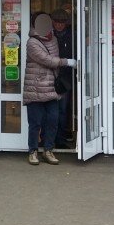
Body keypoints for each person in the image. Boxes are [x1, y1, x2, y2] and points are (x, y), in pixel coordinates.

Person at [23, 12, 76, 166]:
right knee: (35, 122)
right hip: (35, 88)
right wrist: (67, 62)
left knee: (53, 120)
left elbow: (54, 62)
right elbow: (47, 60)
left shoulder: (53, 39)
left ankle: (48, 151)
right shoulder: (32, 42)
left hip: (52, 88)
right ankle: (33, 151)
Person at [51, 8, 74, 149]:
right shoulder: (47, 35)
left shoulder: (72, 36)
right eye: (57, 22)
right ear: (52, 22)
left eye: (62, 22)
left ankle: (60, 140)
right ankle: (48, 139)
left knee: (63, 110)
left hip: (65, 78)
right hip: (49, 76)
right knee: (49, 109)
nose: (59, 25)